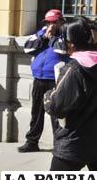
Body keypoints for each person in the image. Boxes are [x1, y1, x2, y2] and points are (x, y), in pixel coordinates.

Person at [44, 16, 97, 170]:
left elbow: (55, 106)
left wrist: (49, 94)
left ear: (71, 43)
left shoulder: (74, 69)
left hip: (74, 143)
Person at [18, 9, 69, 152]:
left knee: (56, 114)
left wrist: (52, 38)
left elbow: (63, 50)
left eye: (54, 22)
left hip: (55, 80)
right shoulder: (41, 33)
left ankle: (58, 145)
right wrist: (43, 38)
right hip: (39, 79)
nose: (50, 25)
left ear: (61, 22)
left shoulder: (66, 35)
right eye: (48, 22)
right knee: (36, 113)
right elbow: (27, 48)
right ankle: (32, 142)